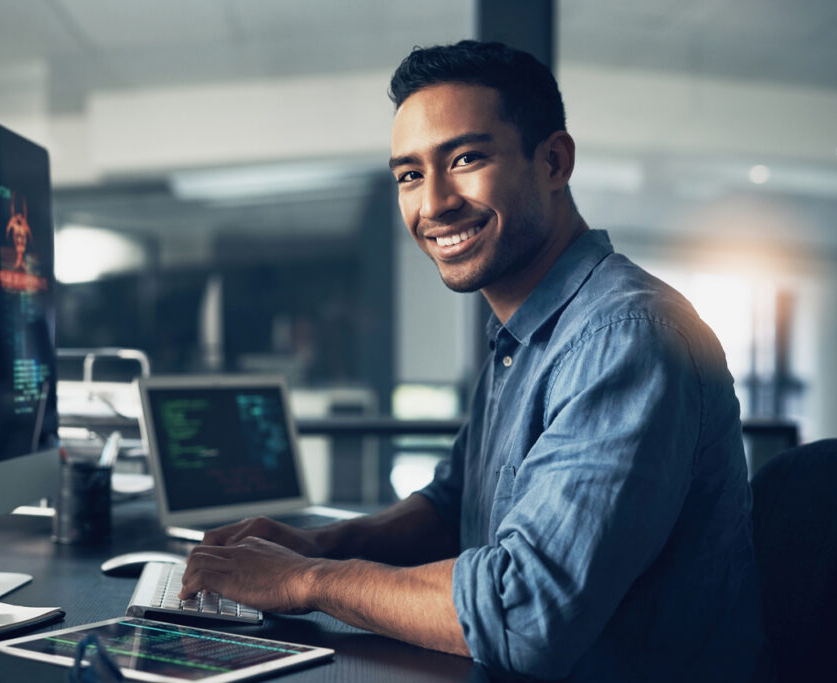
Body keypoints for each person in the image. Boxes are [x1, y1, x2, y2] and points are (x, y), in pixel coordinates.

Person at [180, 40, 767, 681]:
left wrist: (306, 579)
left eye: (465, 159)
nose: (434, 203)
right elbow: (453, 506)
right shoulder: (526, 333)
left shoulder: (625, 338)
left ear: (553, 161)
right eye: (409, 175)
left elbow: (525, 611)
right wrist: (315, 543)